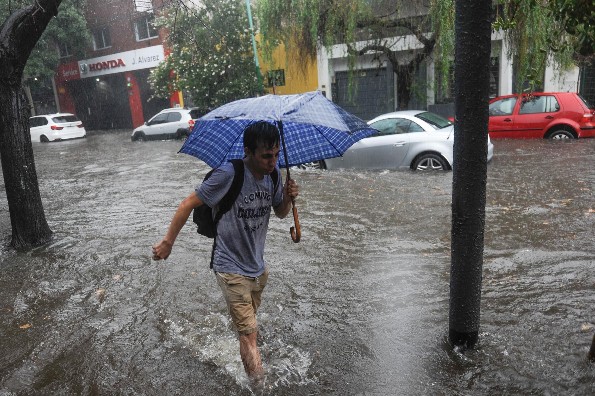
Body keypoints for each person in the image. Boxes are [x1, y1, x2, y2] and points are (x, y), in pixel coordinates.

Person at [152, 121, 299, 385]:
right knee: (249, 336)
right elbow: (187, 203)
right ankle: (259, 387)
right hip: (229, 266)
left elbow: (280, 212)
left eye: (276, 155)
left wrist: (289, 197)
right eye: (266, 156)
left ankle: (246, 353)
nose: (272, 161)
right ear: (248, 151)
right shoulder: (228, 175)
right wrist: (168, 243)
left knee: (249, 327)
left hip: (258, 268)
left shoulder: (275, 175)